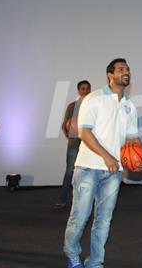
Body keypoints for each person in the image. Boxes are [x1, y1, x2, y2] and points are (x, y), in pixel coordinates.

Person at [63, 58, 142, 268]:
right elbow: (84, 132)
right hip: (87, 168)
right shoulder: (93, 99)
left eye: (128, 69)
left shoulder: (129, 106)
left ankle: (95, 263)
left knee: (103, 221)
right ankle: (72, 254)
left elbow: (132, 139)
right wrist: (107, 156)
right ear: (110, 75)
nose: (126, 72)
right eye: (121, 69)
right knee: (79, 219)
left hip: (114, 172)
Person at [55, 80, 91, 209]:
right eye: (82, 89)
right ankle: (63, 198)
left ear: (90, 90)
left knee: (89, 173)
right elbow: (64, 125)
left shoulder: (94, 106)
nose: (85, 91)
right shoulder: (72, 106)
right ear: (78, 91)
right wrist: (72, 132)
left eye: (87, 89)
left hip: (90, 144)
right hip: (74, 143)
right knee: (70, 171)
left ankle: (85, 202)